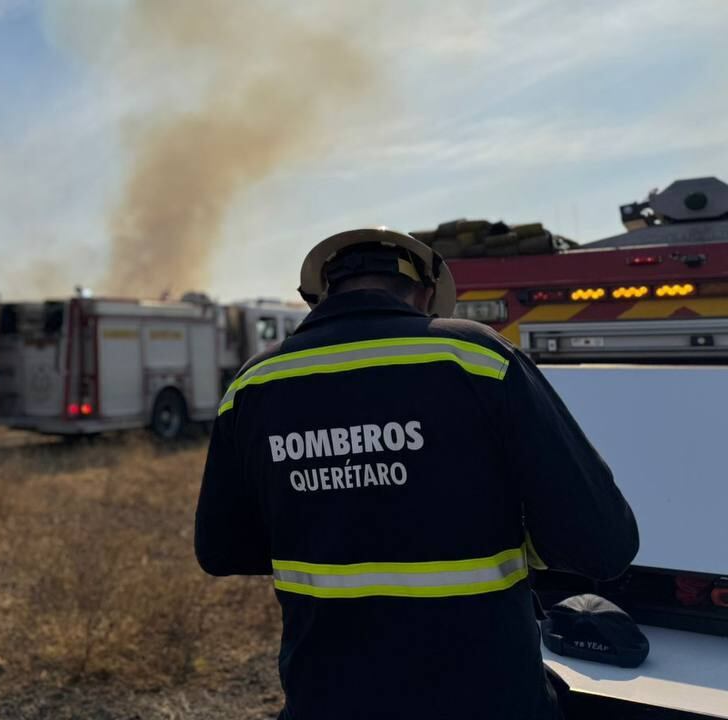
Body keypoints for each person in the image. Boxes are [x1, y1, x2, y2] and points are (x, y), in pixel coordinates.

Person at [194, 227, 639, 720]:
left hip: (326, 700)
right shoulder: (476, 358)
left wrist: (328, 517)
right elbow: (604, 543)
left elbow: (221, 550)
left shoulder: (254, 385)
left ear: (321, 295)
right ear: (425, 293)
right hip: (486, 700)